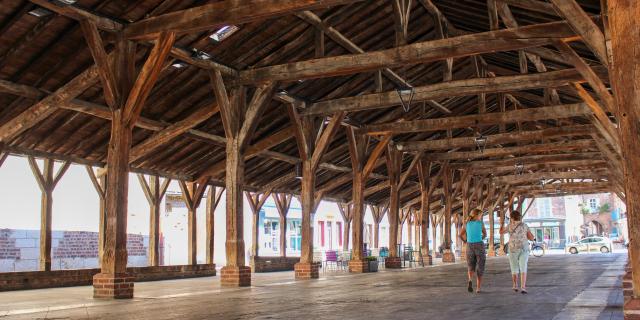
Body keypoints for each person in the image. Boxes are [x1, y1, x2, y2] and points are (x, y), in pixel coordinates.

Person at [500, 210, 535, 294]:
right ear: (519, 217)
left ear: (511, 218)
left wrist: (501, 224)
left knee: (514, 267)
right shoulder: (524, 225)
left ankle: (515, 285)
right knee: (523, 267)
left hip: (513, 249)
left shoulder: (509, 226)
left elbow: (501, 232)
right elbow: (531, 238)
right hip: (524, 248)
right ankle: (523, 287)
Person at [459, 208, 487, 293]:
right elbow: (485, 234)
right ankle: (478, 288)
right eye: (480, 215)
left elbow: (460, 235)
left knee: (471, 266)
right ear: (477, 215)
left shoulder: (466, 223)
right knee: (480, 266)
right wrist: (480, 238)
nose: (481, 217)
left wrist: (465, 241)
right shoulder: (480, 223)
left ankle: (470, 280)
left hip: (469, 245)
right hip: (479, 245)